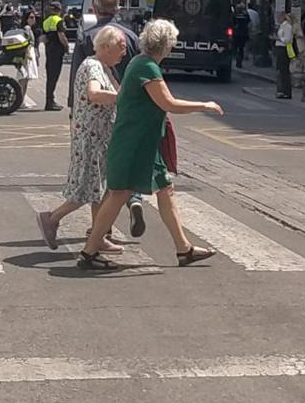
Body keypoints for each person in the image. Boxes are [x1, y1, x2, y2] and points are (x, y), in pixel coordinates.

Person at [78, 19, 224, 270]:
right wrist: (204, 105)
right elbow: (169, 104)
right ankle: (89, 252)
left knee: (165, 190)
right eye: (172, 43)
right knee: (118, 194)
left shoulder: (140, 63)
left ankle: (183, 249)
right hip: (132, 143)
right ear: (166, 45)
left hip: (144, 143)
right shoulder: (147, 67)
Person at [38, 25, 128, 253]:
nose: (124, 53)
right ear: (106, 47)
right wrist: (122, 97)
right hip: (91, 139)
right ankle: (52, 218)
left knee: (100, 191)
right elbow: (94, 93)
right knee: (86, 189)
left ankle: (98, 235)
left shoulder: (104, 67)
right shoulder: (93, 67)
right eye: (121, 48)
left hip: (100, 138)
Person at [67, 0, 144, 234]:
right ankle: (134, 200)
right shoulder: (131, 36)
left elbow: (77, 76)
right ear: (118, 9)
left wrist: (73, 107)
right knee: (126, 160)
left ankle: (99, 229)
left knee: (98, 170)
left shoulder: (87, 36)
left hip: (97, 113)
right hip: (127, 108)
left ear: (94, 9)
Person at [42, 3, 69, 111]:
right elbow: (61, 36)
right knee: (54, 77)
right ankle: (50, 103)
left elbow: (44, 38)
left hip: (49, 51)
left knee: (50, 78)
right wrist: (66, 46)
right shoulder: (59, 20)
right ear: (59, 10)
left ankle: (49, 100)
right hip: (57, 52)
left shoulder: (46, 22)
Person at [274, 11, 294, 99]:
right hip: (279, 48)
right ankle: (281, 90)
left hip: (284, 49)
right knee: (280, 70)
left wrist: (278, 38)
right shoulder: (281, 26)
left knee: (284, 71)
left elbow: (288, 40)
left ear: (283, 17)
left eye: (279, 17)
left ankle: (287, 91)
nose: (277, 19)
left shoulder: (288, 27)